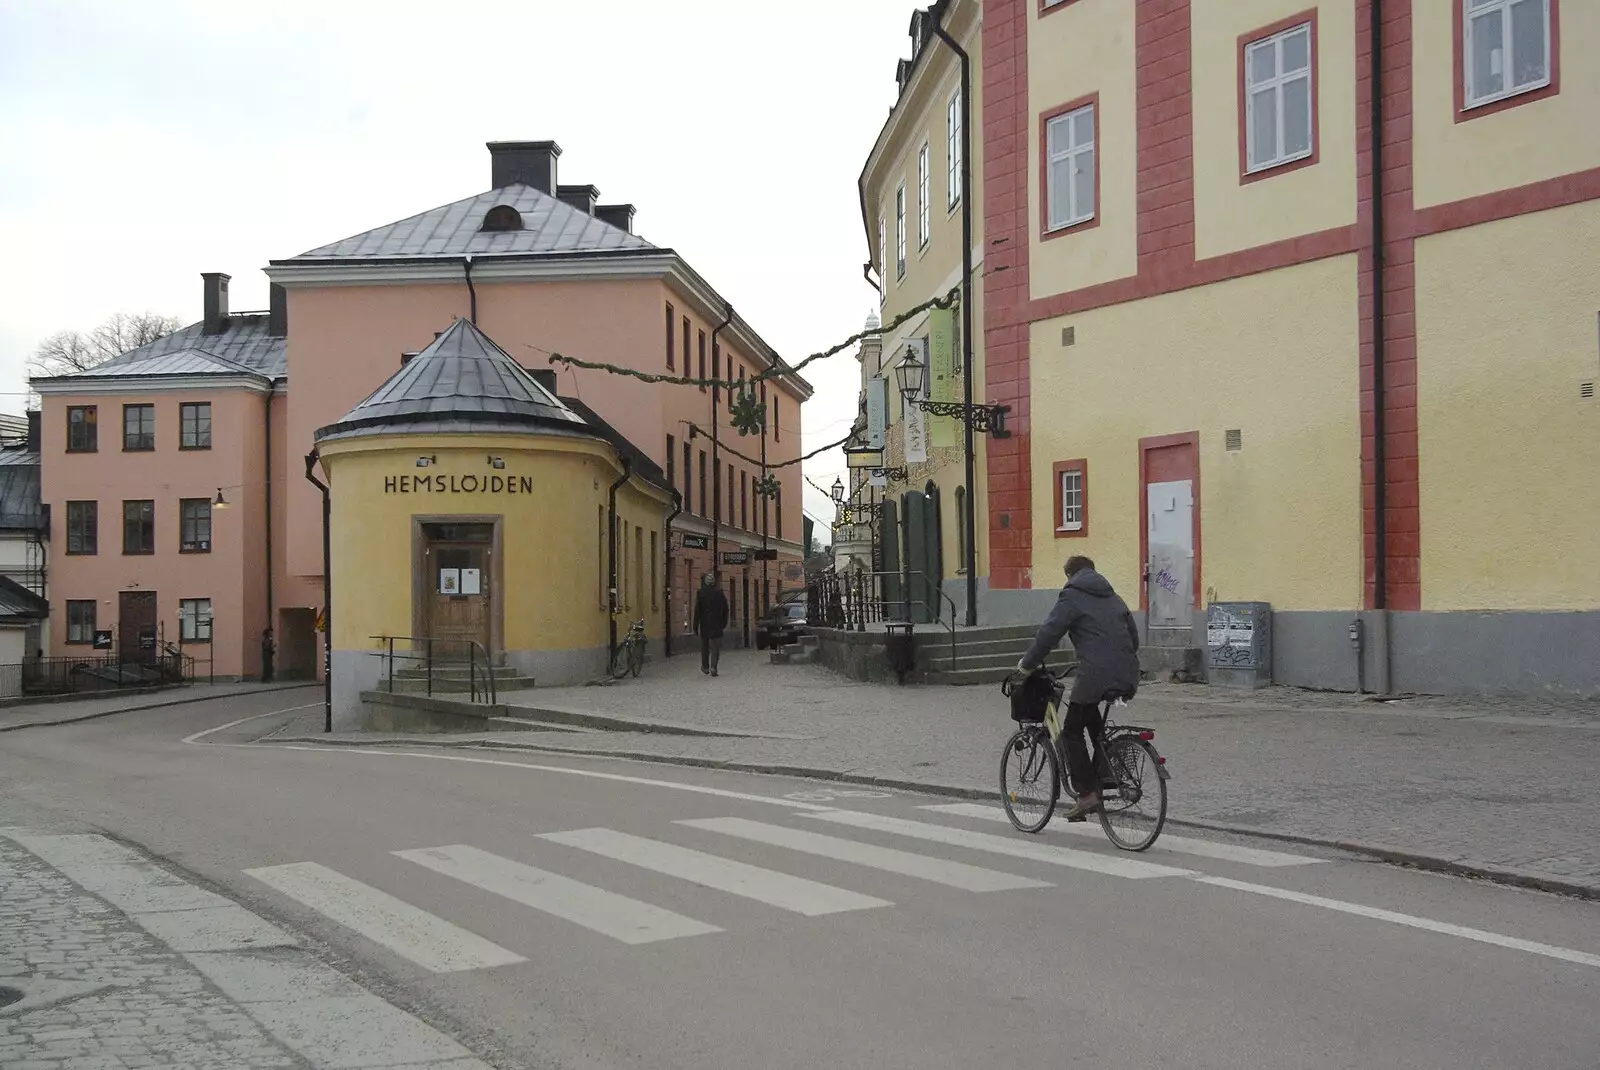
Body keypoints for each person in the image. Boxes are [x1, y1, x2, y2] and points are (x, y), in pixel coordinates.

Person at [1017, 555, 1140, 819]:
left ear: (1070, 575)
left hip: (1096, 674)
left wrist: (1026, 665)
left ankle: (1086, 796)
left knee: (1071, 732)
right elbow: (1134, 638)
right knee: (1092, 721)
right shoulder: (1113, 597)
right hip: (1128, 673)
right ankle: (1105, 774)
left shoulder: (1072, 596)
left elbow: (1049, 634)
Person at [692, 573, 730, 677]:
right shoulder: (719, 593)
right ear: (713, 583)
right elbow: (726, 609)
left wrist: (695, 625)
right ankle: (714, 667)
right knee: (715, 648)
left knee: (705, 647)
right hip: (717, 624)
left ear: (705, 582)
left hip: (705, 625)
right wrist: (724, 622)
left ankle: (705, 667)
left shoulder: (701, 593)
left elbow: (697, 611)